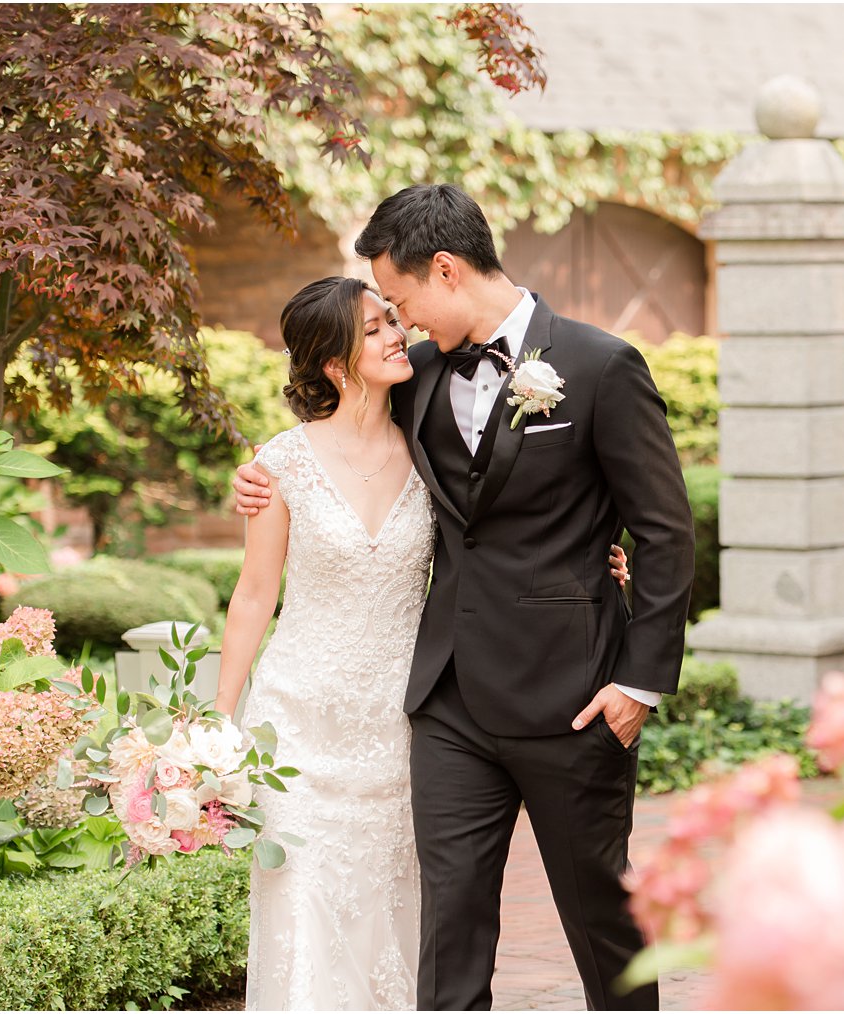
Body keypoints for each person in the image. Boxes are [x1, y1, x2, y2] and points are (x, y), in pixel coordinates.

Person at [233, 184, 695, 1010]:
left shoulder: (599, 366)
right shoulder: (415, 379)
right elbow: (344, 435)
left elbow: (664, 530)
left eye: (400, 298)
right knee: (447, 930)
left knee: (600, 916)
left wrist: (639, 681)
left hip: (573, 696)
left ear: (444, 270)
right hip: (448, 702)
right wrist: (264, 481)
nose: (398, 322)